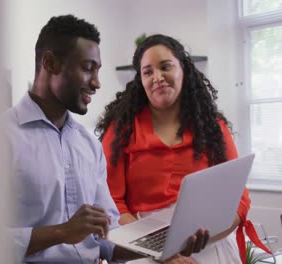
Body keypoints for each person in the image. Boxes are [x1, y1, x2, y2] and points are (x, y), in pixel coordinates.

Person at [6, 16, 208, 264]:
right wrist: (60, 232)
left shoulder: (88, 145)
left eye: (98, 70)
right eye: (88, 68)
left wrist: (170, 247)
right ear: (50, 63)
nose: (97, 83)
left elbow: (108, 239)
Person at [96, 34, 271, 263]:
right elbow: (112, 202)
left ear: (183, 70)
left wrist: (203, 238)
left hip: (209, 242)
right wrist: (162, 252)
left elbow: (238, 198)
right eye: (147, 72)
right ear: (140, 79)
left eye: (165, 67)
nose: (157, 77)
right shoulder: (120, 131)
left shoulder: (212, 126)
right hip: (140, 245)